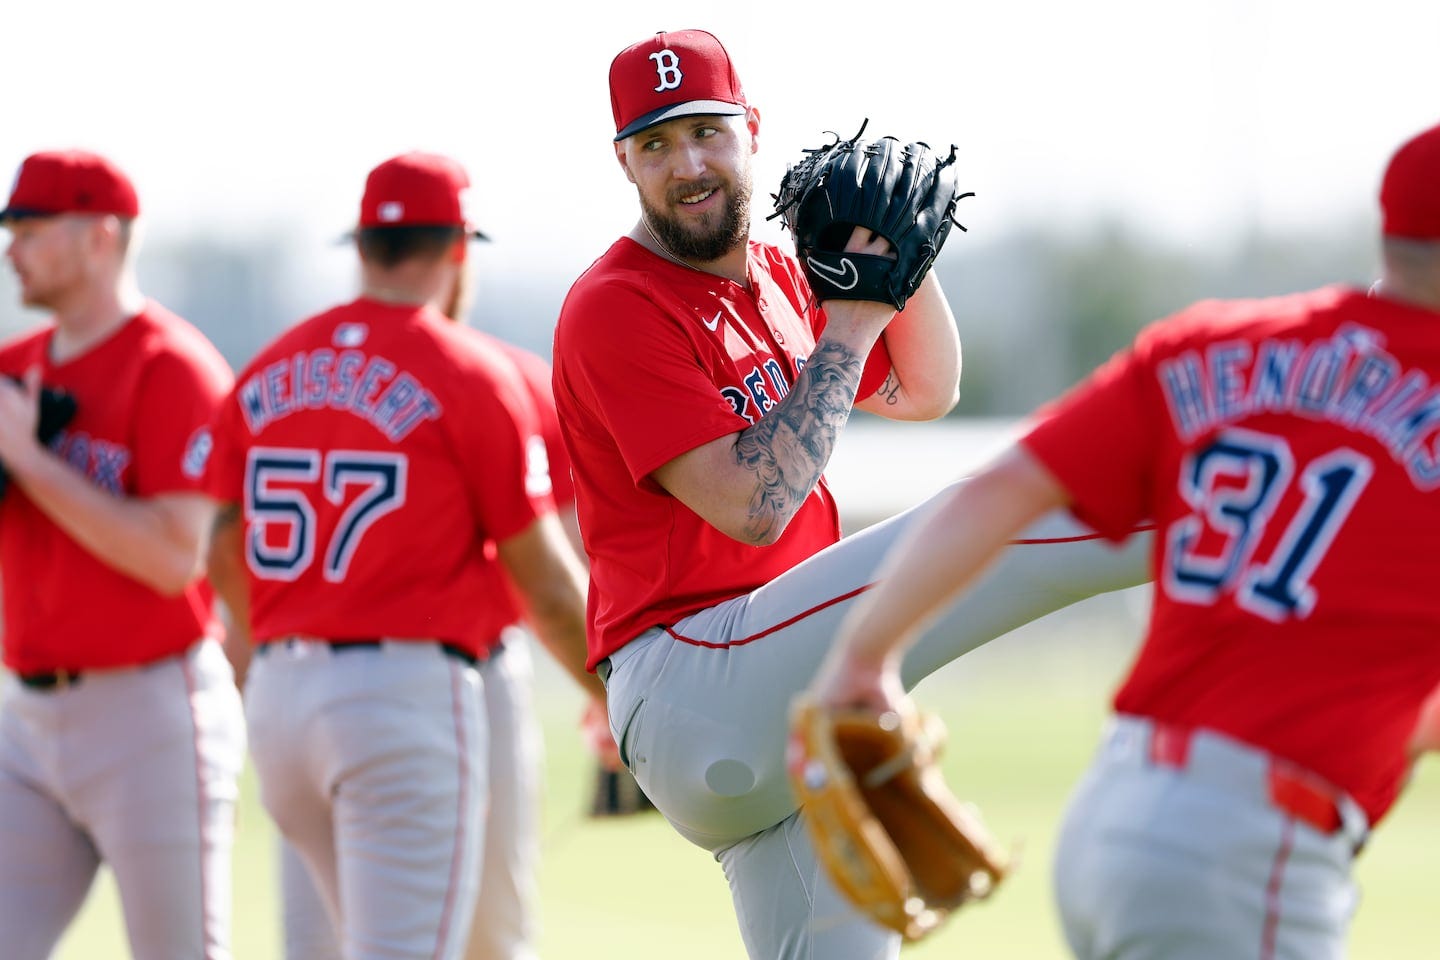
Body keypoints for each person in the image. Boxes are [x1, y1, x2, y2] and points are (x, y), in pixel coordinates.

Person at [551, 28, 1151, 959]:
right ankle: (1238, 510)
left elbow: (926, 389)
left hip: (780, 707)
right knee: (992, 513)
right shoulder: (615, 304)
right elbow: (753, 506)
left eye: (707, 130)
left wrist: (905, 256)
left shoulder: (784, 274)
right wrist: (856, 320)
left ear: (752, 128)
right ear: (624, 161)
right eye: (658, 143)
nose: (688, 163)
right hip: (690, 676)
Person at [806, 119, 1440, 959]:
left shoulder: (1214, 344)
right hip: (1251, 858)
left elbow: (999, 491)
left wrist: (860, 660)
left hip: (1114, 815)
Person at [204, 151, 603, 960]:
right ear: (458, 250)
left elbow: (218, 543)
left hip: (284, 696)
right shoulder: (472, 372)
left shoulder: (268, 368)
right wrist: (624, 702)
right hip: (409, 694)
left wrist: (286, 641)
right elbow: (547, 582)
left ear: (363, 249)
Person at [0, 150, 245, 959]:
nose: (11, 250)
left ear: (100, 236)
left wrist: (33, 463)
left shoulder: (171, 367)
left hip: (150, 710)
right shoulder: (13, 371)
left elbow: (175, 557)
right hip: (27, 717)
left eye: (30, 230)